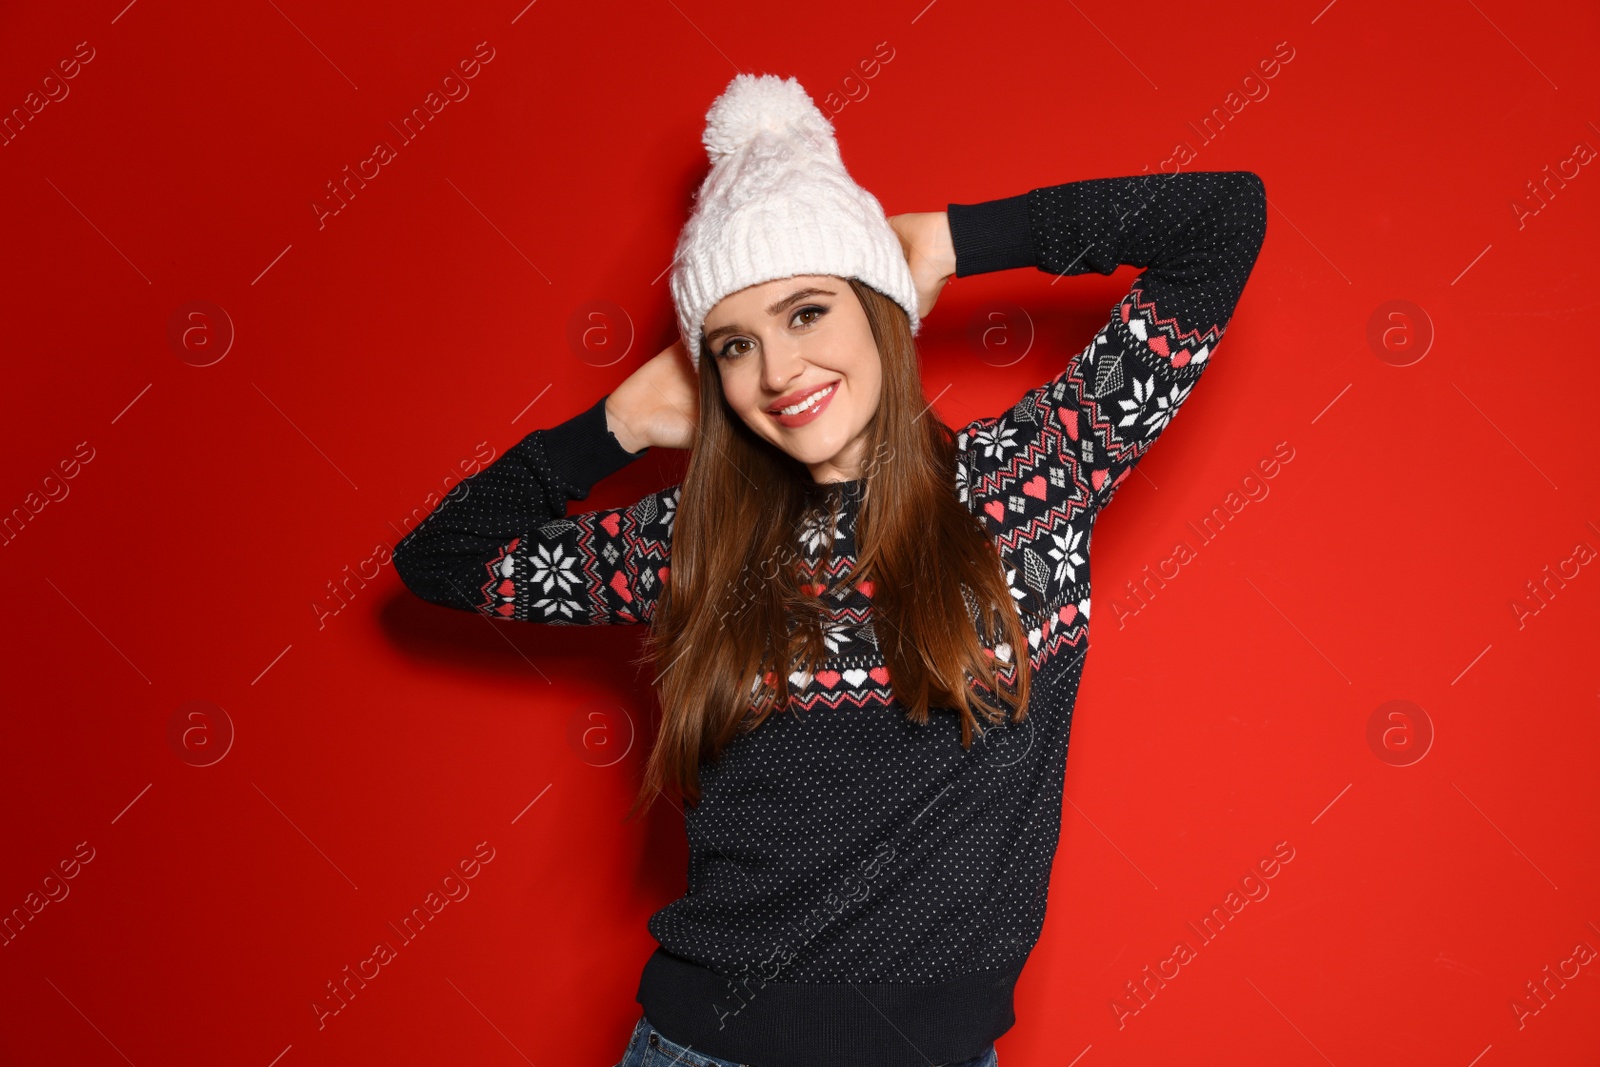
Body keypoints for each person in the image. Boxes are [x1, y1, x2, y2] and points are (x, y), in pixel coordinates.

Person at [392, 72, 1267, 1067]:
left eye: (806, 311)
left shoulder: (1034, 481)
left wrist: (946, 240)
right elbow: (441, 560)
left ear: (875, 307)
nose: (775, 371)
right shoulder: (690, 543)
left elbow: (1221, 220)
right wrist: (617, 425)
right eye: (734, 343)